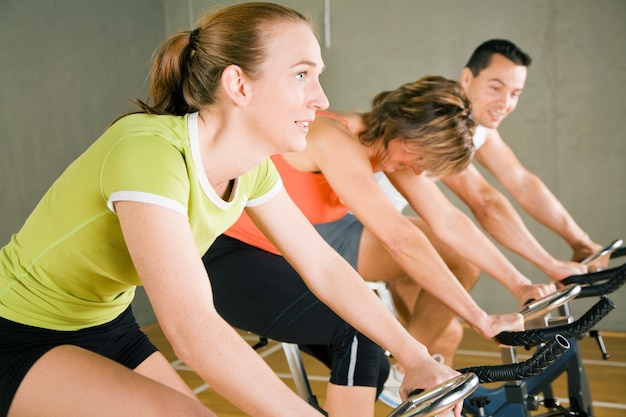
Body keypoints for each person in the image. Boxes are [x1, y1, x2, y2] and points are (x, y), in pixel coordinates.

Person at [0, 4, 463, 417]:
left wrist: (414, 354)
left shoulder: (254, 170)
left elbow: (324, 266)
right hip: (17, 329)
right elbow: (191, 326)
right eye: (302, 75)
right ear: (239, 84)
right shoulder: (148, 152)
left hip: (105, 322)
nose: (320, 98)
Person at [203, 75, 551, 413]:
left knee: (373, 361)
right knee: (362, 332)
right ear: (404, 127)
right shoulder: (332, 136)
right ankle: (409, 361)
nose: (415, 169)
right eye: (418, 156)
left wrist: (520, 286)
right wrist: (480, 319)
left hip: (301, 249)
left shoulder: (389, 145)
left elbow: (448, 220)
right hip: (236, 255)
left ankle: (403, 371)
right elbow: (398, 237)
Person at [375, 38, 607, 406]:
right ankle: (401, 373)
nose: (505, 102)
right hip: (364, 230)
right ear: (467, 78)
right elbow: (484, 203)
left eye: (515, 93)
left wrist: (580, 243)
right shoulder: (445, 122)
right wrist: (547, 267)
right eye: (495, 87)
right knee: (460, 262)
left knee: (448, 336)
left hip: (387, 227)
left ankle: (427, 400)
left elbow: (521, 182)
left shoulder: (480, 126)